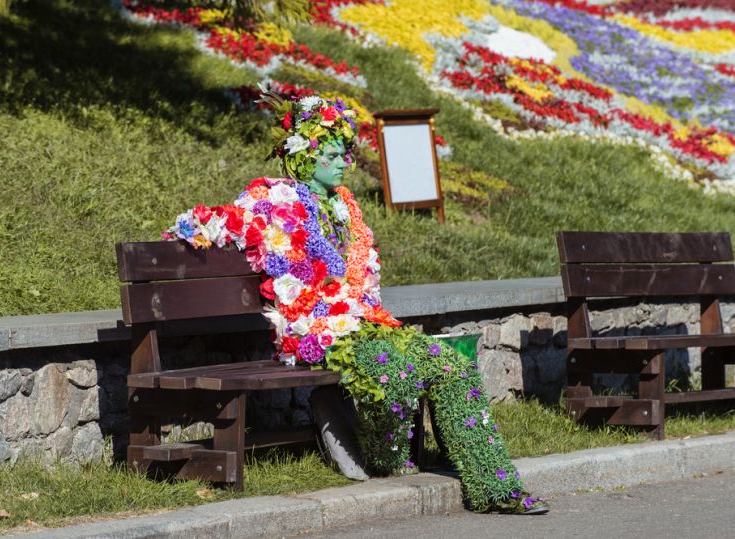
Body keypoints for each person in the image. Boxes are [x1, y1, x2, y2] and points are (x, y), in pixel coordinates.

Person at [164, 89, 548, 514]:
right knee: (396, 373)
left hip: (362, 320)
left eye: (345, 152)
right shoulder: (275, 199)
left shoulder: (345, 206)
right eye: (333, 152)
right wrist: (194, 229)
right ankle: (384, 458)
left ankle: (497, 488)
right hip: (316, 329)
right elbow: (222, 219)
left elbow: (361, 274)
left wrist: (359, 307)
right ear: (307, 158)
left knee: (452, 365)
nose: (345, 161)